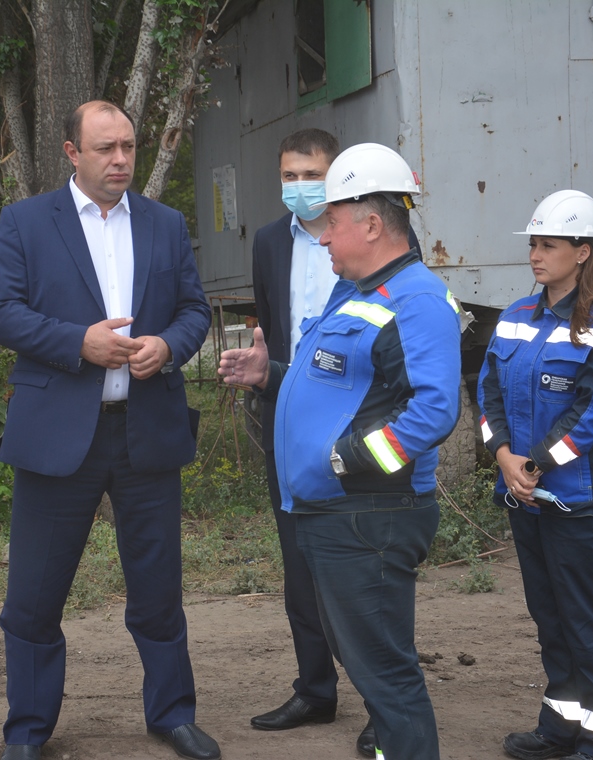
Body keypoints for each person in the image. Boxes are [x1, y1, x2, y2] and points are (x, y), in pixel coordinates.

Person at [0, 100, 216, 760]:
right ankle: (27, 731)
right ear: (71, 152)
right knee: (32, 599)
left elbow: (195, 309)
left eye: (129, 147)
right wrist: (73, 342)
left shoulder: (165, 225)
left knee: (159, 591)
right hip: (60, 436)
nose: (120, 160)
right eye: (106, 148)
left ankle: (172, 713)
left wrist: (168, 346)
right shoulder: (27, 223)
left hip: (147, 432)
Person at [220, 143, 462, 760]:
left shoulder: (415, 301)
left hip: (368, 515)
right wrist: (269, 374)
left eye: (333, 223)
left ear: (372, 224)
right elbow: (333, 381)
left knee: (386, 673)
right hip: (335, 513)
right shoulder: (354, 291)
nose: (323, 238)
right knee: (369, 663)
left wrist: (346, 460)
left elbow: (434, 411)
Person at [249, 128, 422, 757]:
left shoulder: (387, 258)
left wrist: (359, 448)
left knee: (365, 576)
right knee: (301, 565)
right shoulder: (270, 243)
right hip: (292, 430)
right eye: (289, 176)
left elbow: (415, 381)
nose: (300, 189)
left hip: (355, 438)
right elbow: (281, 335)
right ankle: (315, 688)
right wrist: (265, 376)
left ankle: (383, 706)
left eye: (312, 176)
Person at [476, 190, 593, 760]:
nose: (536, 255)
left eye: (549, 245)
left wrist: (534, 463)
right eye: (533, 244)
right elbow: (488, 392)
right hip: (525, 495)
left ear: (585, 251)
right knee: (549, 617)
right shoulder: (515, 317)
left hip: (579, 500)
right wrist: (503, 458)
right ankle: (560, 726)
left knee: (588, 620)